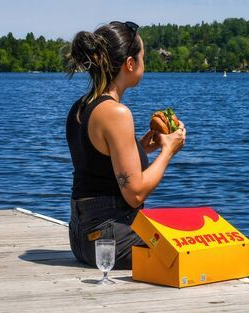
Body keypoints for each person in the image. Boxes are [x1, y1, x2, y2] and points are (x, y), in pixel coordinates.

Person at [65, 21, 186, 270]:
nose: (145, 63)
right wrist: (167, 151)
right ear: (130, 64)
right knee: (192, 246)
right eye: (142, 57)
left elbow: (97, 166)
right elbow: (135, 194)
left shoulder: (80, 107)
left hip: (83, 238)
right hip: (110, 240)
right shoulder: (116, 113)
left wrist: (141, 148)